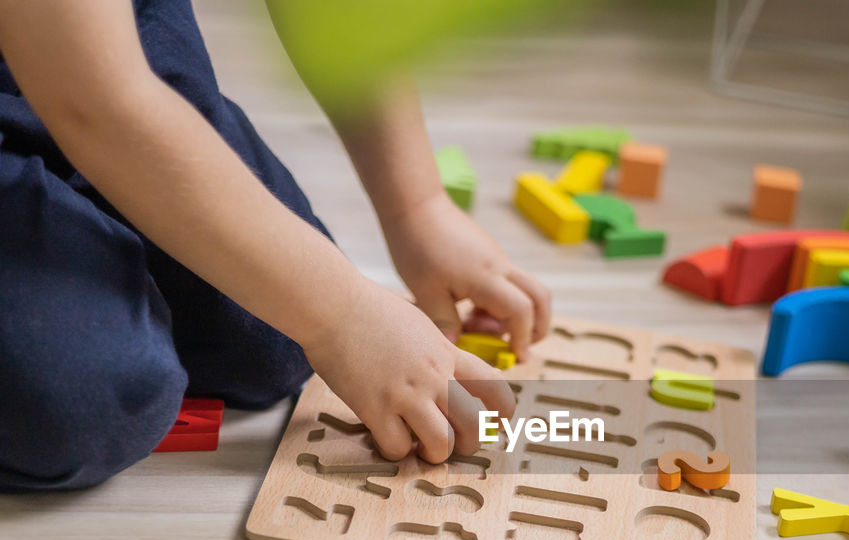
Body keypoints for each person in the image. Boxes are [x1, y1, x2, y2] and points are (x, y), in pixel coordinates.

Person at [0, 0, 548, 493]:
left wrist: (418, 207)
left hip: (119, 52)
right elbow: (91, 104)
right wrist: (343, 315)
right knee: (90, 408)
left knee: (272, 348)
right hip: (88, 88)